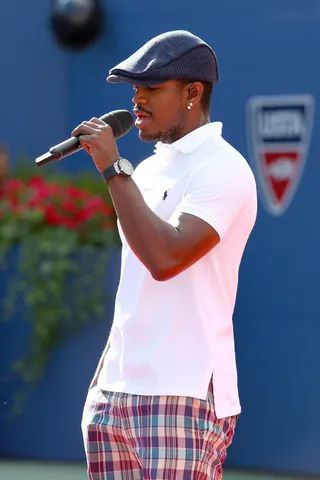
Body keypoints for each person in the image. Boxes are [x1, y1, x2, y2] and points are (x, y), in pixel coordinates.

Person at [76, 30, 257, 479]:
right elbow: (135, 284)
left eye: (152, 88)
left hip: (184, 394)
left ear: (193, 92)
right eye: (136, 89)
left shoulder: (224, 168)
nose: (137, 100)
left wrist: (113, 169)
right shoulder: (151, 167)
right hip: (113, 396)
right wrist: (103, 382)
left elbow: (165, 259)